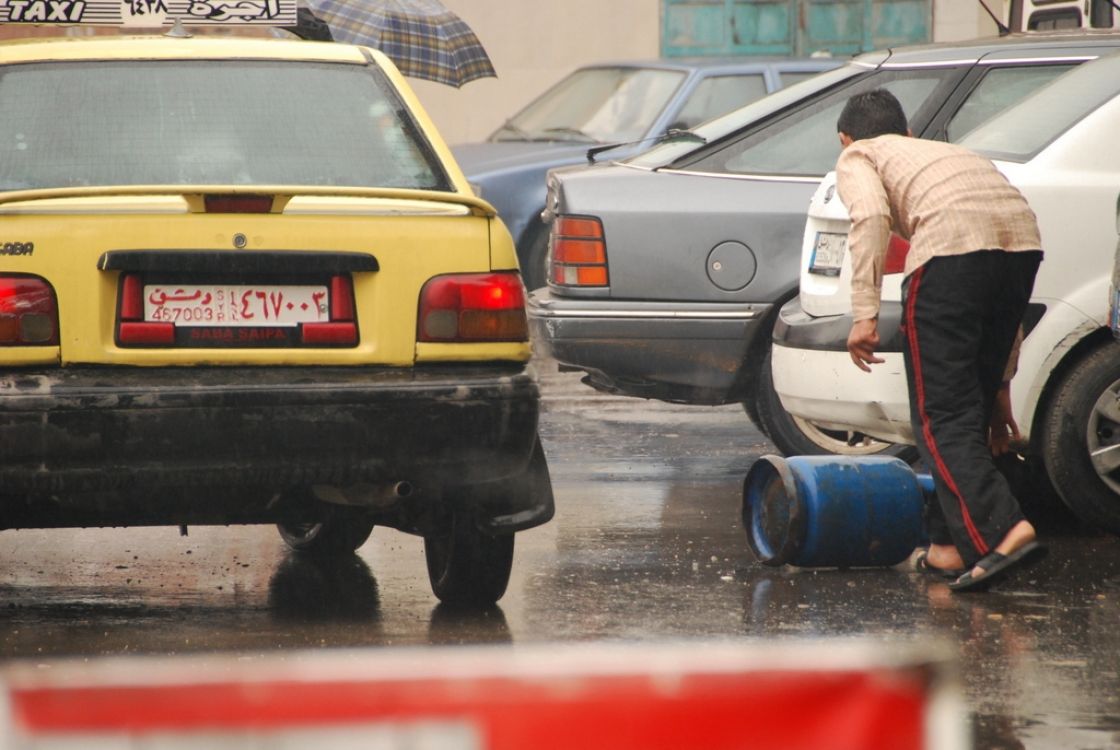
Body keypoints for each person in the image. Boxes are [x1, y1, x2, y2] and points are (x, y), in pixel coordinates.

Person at [834, 89, 1047, 592]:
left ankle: (1003, 532)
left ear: (845, 138)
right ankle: (950, 547)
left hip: (948, 256)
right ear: (908, 132)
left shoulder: (858, 154)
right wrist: (1000, 395)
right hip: (1022, 246)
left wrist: (864, 313)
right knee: (968, 411)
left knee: (938, 417)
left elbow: (869, 217)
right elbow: (1000, 310)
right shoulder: (949, 153)